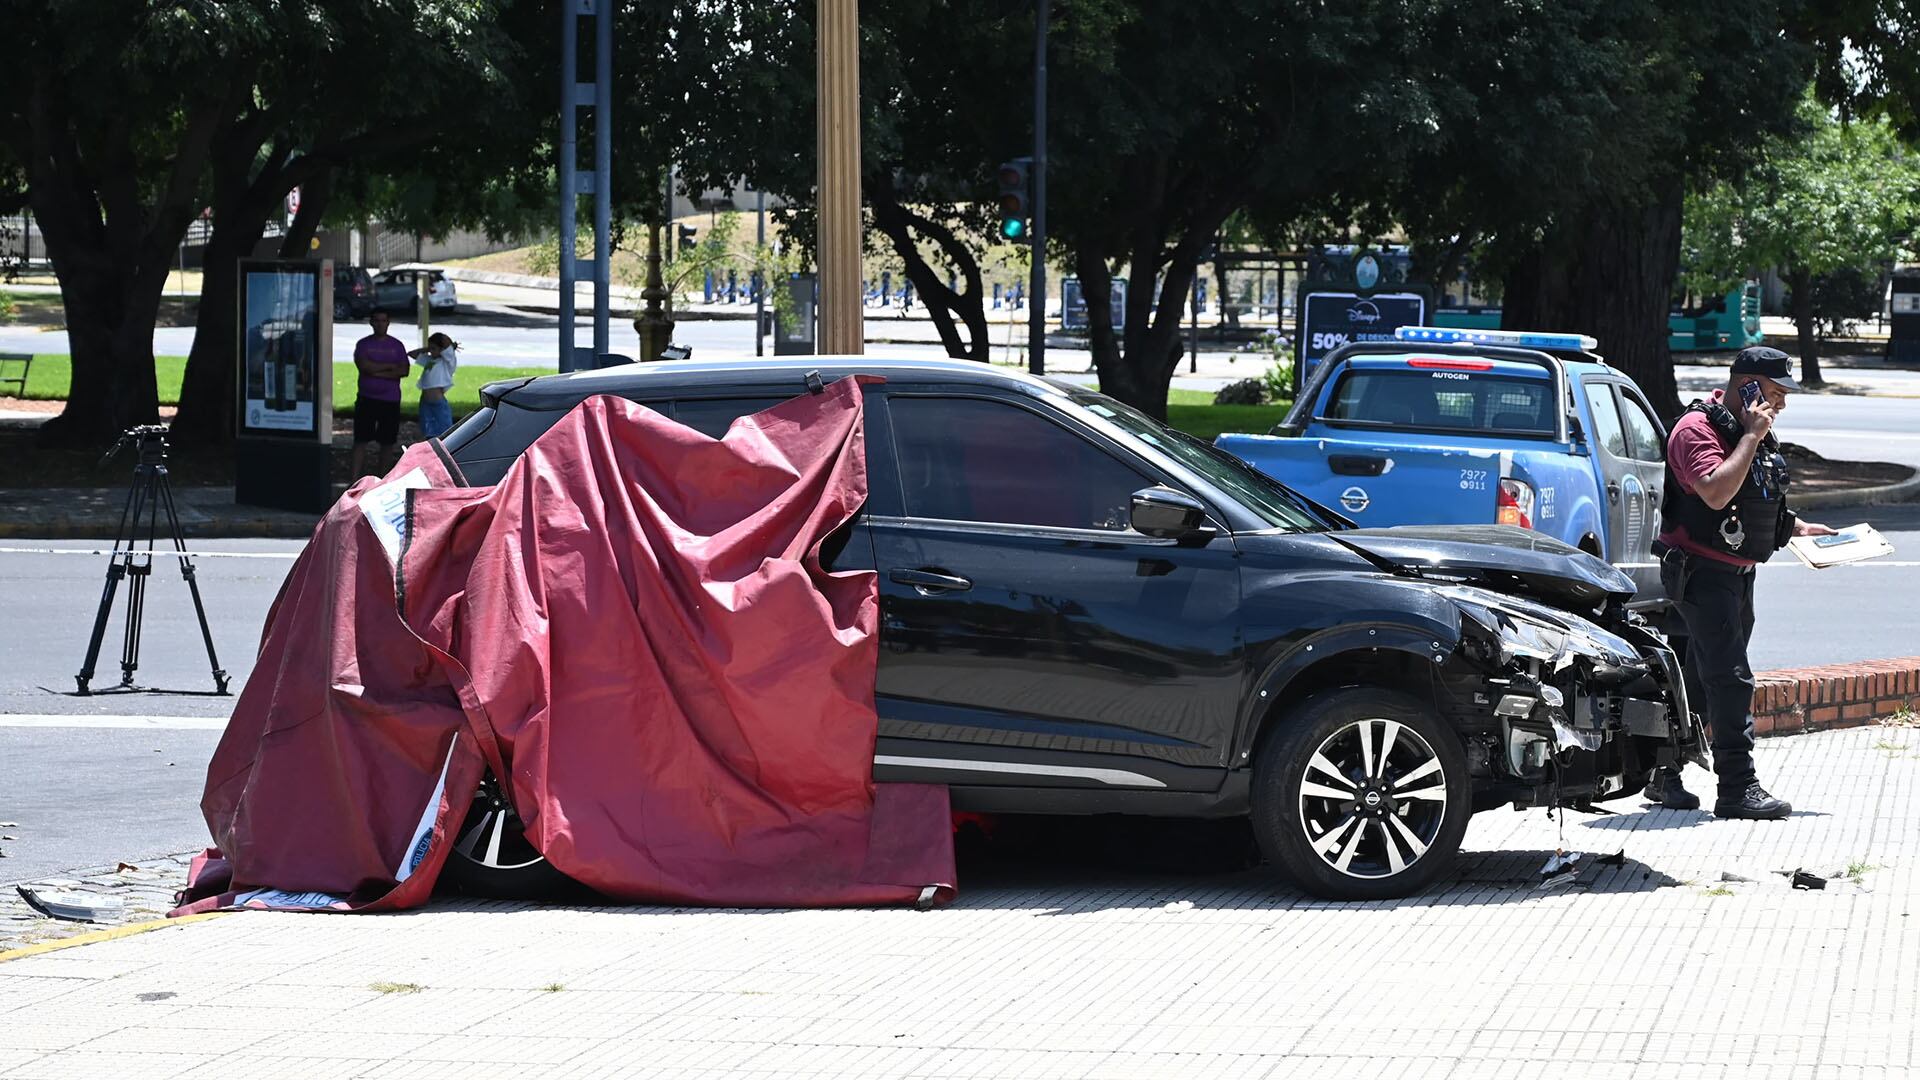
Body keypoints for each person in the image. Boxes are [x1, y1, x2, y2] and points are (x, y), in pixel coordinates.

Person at [1646, 345, 1836, 819]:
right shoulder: (1697, 430)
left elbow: (1753, 497)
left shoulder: (1748, 431)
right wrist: (1752, 436)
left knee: (1695, 678)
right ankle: (1736, 788)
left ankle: (1661, 772)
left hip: (1735, 574)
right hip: (1699, 573)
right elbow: (1714, 491)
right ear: (1746, 385)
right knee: (1730, 679)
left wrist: (1796, 528)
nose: (1782, 404)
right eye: (1775, 393)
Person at [350, 311, 410, 477]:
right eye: (376, 321)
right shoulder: (363, 344)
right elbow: (364, 367)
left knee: (387, 442)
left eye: (383, 320)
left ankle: (382, 479)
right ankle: (354, 480)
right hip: (366, 399)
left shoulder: (397, 345)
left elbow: (404, 370)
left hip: (390, 401)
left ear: (388, 322)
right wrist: (390, 367)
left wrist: (376, 370)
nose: (380, 324)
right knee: (360, 440)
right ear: (371, 322)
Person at [409, 332, 460, 439]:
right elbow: (412, 354)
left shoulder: (447, 362)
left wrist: (450, 347)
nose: (431, 352)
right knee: (427, 432)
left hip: (438, 403)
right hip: (425, 403)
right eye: (430, 349)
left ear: (442, 350)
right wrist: (427, 349)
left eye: (434, 348)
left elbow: (445, 340)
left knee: (444, 433)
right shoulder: (430, 360)